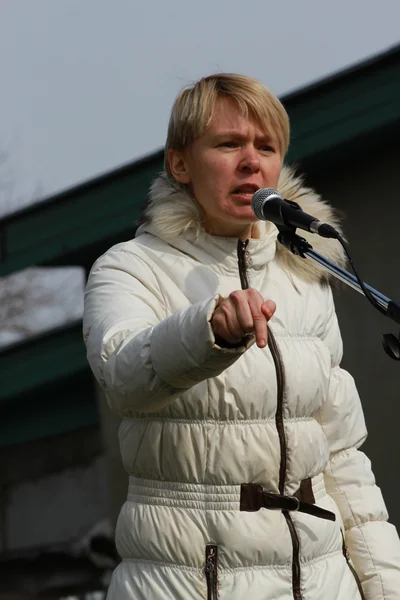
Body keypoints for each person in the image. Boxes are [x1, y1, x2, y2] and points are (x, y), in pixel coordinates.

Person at [83, 73, 400, 600]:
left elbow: (342, 457)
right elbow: (123, 376)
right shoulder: (130, 267)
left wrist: (385, 586)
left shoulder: (307, 278)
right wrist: (207, 332)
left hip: (324, 584)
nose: (251, 161)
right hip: (190, 582)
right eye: (228, 144)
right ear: (180, 163)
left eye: (266, 146)